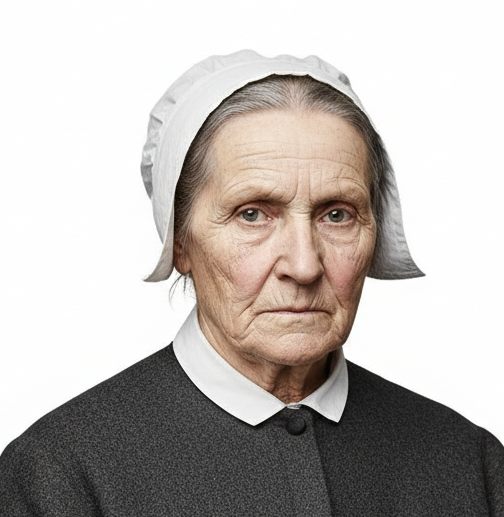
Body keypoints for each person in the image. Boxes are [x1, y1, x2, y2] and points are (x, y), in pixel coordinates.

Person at [1, 50, 503, 516]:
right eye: (253, 214)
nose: (304, 266)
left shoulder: (469, 464)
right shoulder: (61, 476)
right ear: (180, 243)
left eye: (336, 214)